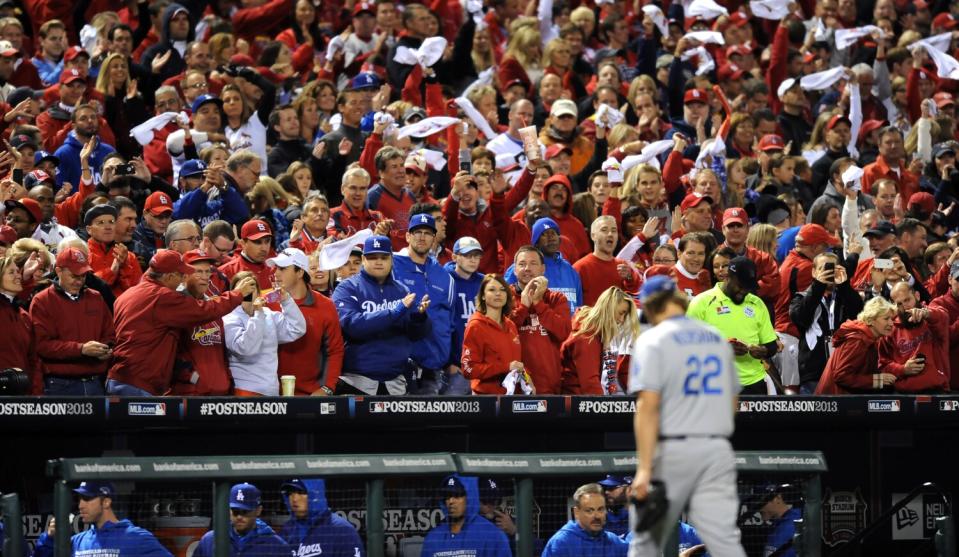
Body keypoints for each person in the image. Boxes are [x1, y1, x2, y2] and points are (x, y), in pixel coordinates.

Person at [628, 275, 746, 557]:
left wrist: (644, 469)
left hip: (674, 450)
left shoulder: (653, 339)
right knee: (725, 542)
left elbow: (647, 407)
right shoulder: (716, 337)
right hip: (718, 449)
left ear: (651, 305)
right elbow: (733, 403)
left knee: (644, 542)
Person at [107, 250, 257, 396]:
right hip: (139, 383)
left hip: (121, 377)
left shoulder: (127, 295)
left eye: (207, 272)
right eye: (181, 275)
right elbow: (204, 310)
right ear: (169, 276)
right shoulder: (161, 296)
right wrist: (237, 294)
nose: (183, 280)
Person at [331, 234, 431, 395]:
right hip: (356, 381)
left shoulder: (402, 290)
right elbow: (352, 325)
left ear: (391, 259)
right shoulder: (347, 288)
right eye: (372, 257)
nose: (378, 261)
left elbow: (415, 335)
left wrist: (419, 318)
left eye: (383, 257)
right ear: (364, 260)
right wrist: (395, 311)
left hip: (395, 382)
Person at [687, 256, 779, 394]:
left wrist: (763, 350)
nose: (744, 291)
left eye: (748, 287)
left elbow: (771, 345)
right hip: (714, 384)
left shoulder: (757, 303)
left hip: (754, 383)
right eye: (740, 286)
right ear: (727, 277)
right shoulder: (702, 303)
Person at [29, 247, 114, 396]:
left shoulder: (96, 297)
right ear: (59, 271)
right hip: (59, 385)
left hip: (95, 382)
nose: (79, 281)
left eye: (83, 276)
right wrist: (81, 349)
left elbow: (110, 334)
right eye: (74, 275)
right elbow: (41, 345)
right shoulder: (42, 301)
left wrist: (107, 348)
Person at [391, 213, 455, 394]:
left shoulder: (444, 276)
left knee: (432, 422)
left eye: (427, 233)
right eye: (417, 232)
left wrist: (451, 360)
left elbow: (450, 321)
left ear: (434, 239)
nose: (422, 237)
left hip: (434, 368)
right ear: (407, 236)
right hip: (400, 366)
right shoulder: (392, 266)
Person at [271, 247, 344, 396]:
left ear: (300, 272)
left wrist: (327, 388)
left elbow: (335, 350)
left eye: (283, 268)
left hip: (312, 395)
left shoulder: (326, 305)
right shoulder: (267, 303)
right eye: (276, 268)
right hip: (271, 394)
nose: (276, 273)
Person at [223, 270, 307, 396]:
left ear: (258, 292)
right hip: (244, 390)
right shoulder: (228, 318)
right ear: (234, 292)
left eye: (252, 288)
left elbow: (297, 329)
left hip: (271, 391)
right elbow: (246, 349)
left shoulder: (268, 314)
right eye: (243, 289)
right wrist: (257, 315)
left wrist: (286, 300)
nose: (248, 293)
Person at [789, 252, 864, 394]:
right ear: (813, 272)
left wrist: (845, 286)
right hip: (814, 374)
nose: (828, 272)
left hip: (845, 370)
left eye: (832, 268)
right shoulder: (801, 298)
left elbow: (859, 314)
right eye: (824, 268)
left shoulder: (846, 296)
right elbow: (801, 318)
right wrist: (818, 286)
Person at [32, 482, 171, 557]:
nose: (80, 505)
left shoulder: (136, 538)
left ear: (106, 502)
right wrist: (50, 539)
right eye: (79, 500)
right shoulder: (77, 542)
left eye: (87, 499)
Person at [509, 245, 570, 394]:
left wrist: (538, 303)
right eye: (522, 264)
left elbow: (563, 333)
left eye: (533, 263)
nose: (527, 268)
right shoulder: (505, 298)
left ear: (543, 268)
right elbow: (502, 334)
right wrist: (523, 307)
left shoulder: (556, 299)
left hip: (548, 387)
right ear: (515, 269)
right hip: (512, 388)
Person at [171, 249, 233, 395]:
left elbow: (222, 354)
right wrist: (194, 379)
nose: (205, 277)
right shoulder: (176, 307)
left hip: (220, 394)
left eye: (208, 272)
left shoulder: (214, 308)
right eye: (199, 272)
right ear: (184, 275)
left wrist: (227, 380)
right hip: (190, 395)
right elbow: (169, 355)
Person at [561, 286, 639, 395]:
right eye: (621, 313)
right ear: (608, 308)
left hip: (576, 401)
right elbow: (590, 383)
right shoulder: (587, 337)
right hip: (574, 404)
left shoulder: (591, 332)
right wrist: (604, 408)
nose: (621, 320)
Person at [815, 297, 900, 394]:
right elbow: (841, 376)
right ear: (870, 320)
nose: (891, 323)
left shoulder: (870, 339)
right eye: (886, 319)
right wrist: (877, 380)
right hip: (834, 402)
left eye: (891, 319)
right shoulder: (857, 341)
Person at [462, 274, 526, 394]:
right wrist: (505, 367)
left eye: (502, 290)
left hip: (513, 398)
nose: (498, 293)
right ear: (483, 296)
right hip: (486, 399)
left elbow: (515, 364)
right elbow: (468, 369)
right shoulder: (476, 326)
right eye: (492, 290)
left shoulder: (511, 325)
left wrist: (527, 379)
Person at [881, 282, 950, 393]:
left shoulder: (932, 319)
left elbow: (943, 316)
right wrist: (902, 369)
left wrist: (926, 314)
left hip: (937, 391)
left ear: (917, 296)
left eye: (907, 300)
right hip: (903, 395)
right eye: (899, 304)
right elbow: (883, 365)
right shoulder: (890, 329)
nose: (905, 306)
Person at [420, 475, 512, 557]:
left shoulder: (493, 536)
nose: (451, 501)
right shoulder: (433, 538)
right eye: (447, 496)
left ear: (470, 497)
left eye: (457, 495)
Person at [194, 483, 293, 557]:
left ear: (258, 511)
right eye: (235, 511)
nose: (239, 517)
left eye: (245, 511)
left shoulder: (276, 546)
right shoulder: (210, 540)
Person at [278, 479, 365, 557]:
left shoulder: (342, 531)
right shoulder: (287, 531)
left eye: (301, 492)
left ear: (315, 493)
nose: (294, 499)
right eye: (289, 493)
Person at [541, 483, 627, 556]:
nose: (596, 516)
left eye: (600, 509)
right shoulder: (561, 543)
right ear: (576, 512)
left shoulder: (614, 542)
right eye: (589, 510)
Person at [445, 236, 485, 395]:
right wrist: (448, 362)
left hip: (482, 366)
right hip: (456, 366)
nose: (473, 260)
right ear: (454, 257)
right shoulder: (445, 280)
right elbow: (442, 324)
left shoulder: (485, 282)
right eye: (468, 255)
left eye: (477, 256)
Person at [573, 216, 640, 306]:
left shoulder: (624, 267)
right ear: (593, 236)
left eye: (614, 230)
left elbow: (637, 296)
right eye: (604, 230)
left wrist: (629, 278)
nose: (610, 234)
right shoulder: (580, 268)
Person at [219, 219, 276, 287]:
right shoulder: (225, 272)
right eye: (257, 242)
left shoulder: (277, 267)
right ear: (243, 243)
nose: (264, 248)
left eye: (267, 241)